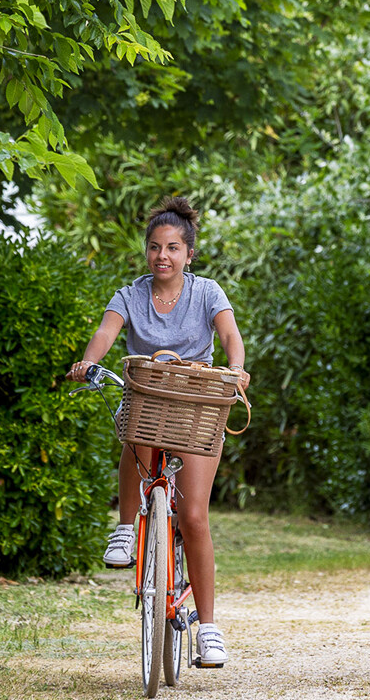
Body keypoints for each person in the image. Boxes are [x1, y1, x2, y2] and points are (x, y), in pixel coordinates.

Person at [67, 196, 249, 667]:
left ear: (189, 254)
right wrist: (90, 360)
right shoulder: (130, 294)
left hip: (197, 406)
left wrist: (237, 368)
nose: (162, 256)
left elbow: (230, 335)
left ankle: (208, 629)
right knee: (135, 422)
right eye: (154, 247)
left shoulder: (207, 292)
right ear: (146, 252)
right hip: (149, 401)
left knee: (194, 519)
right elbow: (108, 332)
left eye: (172, 248)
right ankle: (126, 528)